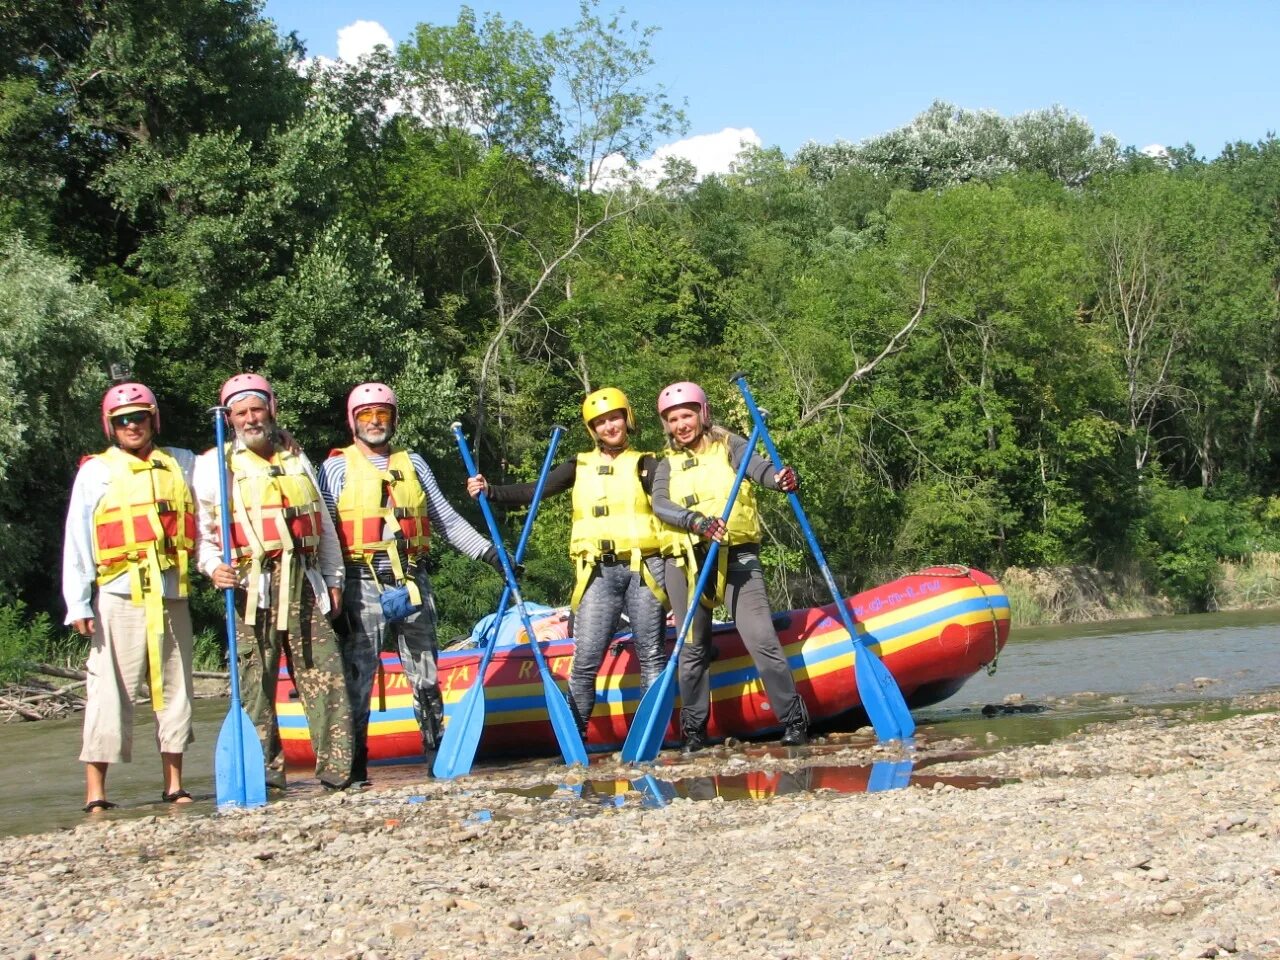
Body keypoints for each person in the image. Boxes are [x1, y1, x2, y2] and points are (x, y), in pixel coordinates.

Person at [319, 382, 500, 783]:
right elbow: (326, 535)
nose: (374, 422)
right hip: (359, 581)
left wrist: (491, 555)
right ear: (353, 422)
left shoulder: (414, 463)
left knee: (426, 674)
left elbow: (446, 519)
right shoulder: (334, 468)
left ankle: (435, 754)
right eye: (366, 415)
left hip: (412, 578)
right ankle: (354, 764)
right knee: (358, 676)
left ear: (394, 419)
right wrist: (328, 587)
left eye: (382, 414)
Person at [466, 387, 669, 740]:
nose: (610, 426)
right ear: (593, 429)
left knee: (650, 654)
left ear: (627, 419)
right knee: (586, 659)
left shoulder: (647, 465)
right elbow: (536, 489)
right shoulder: (579, 466)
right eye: (601, 422)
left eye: (615, 418)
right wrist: (492, 491)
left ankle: (652, 733)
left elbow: (671, 505)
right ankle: (576, 735)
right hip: (597, 573)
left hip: (645, 568)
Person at [194, 373, 354, 791]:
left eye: (256, 409)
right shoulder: (214, 465)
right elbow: (204, 535)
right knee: (255, 684)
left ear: (272, 409)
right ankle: (265, 777)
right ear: (230, 418)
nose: (250, 418)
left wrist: (334, 578)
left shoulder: (296, 457)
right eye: (241, 412)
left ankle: (336, 772)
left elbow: (323, 523)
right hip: (251, 585)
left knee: (326, 675)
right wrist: (213, 567)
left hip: (305, 579)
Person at [650, 380, 809, 752]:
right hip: (687, 561)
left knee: (762, 639)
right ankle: (693, 731)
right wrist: (696, 521)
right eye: (673, 419)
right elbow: (660, 504)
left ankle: (793, 720)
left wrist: (779, 479)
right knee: (693, 648)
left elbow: (760, 469)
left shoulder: (731, 445)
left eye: (686, 415)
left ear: (702, 414)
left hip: (736, 555)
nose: (680, 425)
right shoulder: (664, 464)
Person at [62, 382, 198, 811]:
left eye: (139, 417)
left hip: (171, 591)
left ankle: (174, 784)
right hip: (119, 593)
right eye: (122, 420)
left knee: (177, 688)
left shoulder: (182, 462)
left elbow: (230, 466)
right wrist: (78, 601)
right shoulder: (95, 472)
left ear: (152, 419)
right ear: (111, 427)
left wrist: (281, 438)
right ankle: (96, 793)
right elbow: (78, 541)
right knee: (109, 690)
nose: (132, 425)